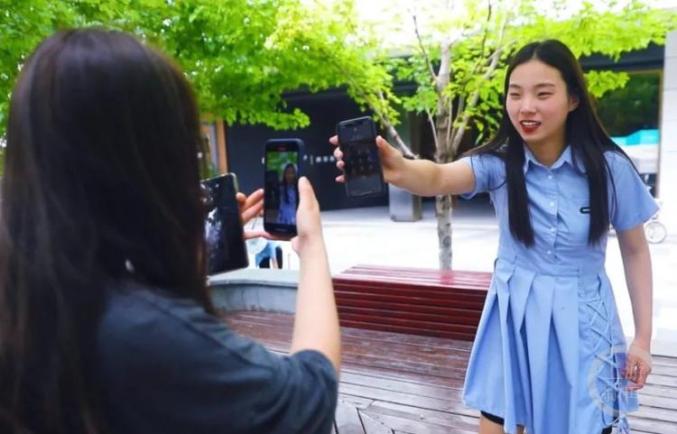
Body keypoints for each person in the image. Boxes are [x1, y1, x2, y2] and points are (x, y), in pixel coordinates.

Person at [0, 28, 340, 434]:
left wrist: (193, 249)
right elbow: (310, 399)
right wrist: (312, 245)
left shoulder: (27, 296)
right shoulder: (141, 333)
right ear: (152, 161)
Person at [332, 39, 655, 434]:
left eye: (542, 94)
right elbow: (438, 177)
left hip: (586, 325)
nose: (526, 107)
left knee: (586, 422)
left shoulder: (610, 169)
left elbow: (635, 251)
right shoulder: (499, 164)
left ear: (573, 99)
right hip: (514, 321)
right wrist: (396, 169)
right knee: (499, 423)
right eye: (515, 94)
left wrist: (642, 339)